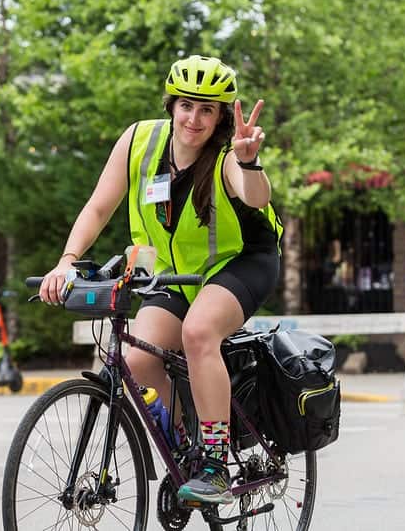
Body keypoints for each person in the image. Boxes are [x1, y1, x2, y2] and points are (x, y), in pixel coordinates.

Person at [38, 55, 281, 504]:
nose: (195, 118)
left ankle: (214, 462)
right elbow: (98, 207)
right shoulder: (139, 140)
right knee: (135, 359)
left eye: (208, 110)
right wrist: (67, 260)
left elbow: (254, 194)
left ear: (221, 117)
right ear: (171, 105)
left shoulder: (228, 155)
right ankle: (189, 433)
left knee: (199, 330)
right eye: (187, 105)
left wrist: (250, 163)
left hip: (242, 261)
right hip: (173, 271)